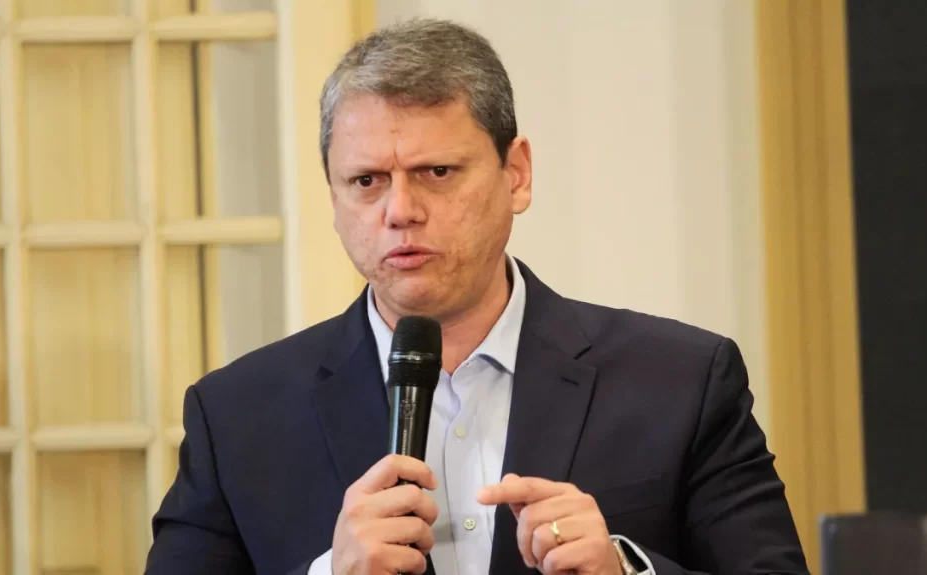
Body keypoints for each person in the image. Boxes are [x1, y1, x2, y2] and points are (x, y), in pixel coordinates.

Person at [145, 18, 808, 575]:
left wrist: (625, 569)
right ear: (334, 198)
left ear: (516, 174)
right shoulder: (236, 417)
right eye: (367, 181)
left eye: (436, 172)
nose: (400, 211)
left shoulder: (680, 382)